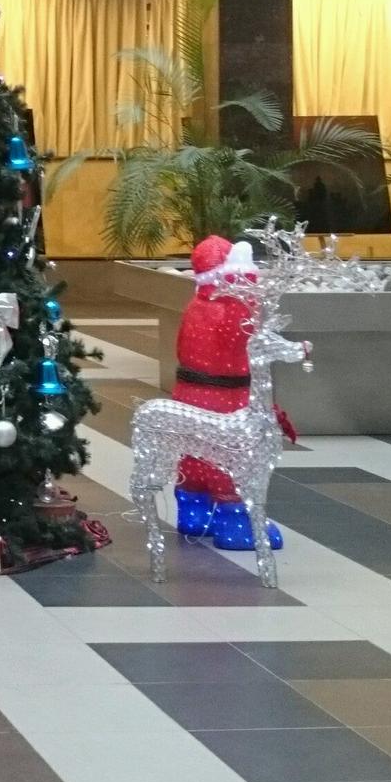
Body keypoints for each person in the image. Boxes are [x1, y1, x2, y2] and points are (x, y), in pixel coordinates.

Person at [172, 235, 292, 550]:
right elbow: (247, 333)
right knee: (232, 458)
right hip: (225, 399)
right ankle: (236, 522)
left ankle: (194, 511)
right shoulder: (232, 308)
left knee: (193, 457)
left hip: (189, 393)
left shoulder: (196, 305)